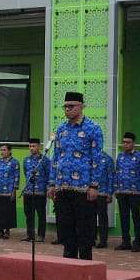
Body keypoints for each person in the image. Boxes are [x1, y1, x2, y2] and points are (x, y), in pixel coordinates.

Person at [50, 91, 104, 260]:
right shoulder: (61, 129)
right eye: (65, 106)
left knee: (85, 233)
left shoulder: (93, 128)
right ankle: (69, 267)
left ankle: (86, 271)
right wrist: (52, 183)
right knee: (66, 232)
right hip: (63, 188)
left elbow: (97, 158)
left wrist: (94, 185)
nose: (67, 109)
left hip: (84, 189)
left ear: (82, 107)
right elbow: (56, 157)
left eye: (71, 106)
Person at [113, 132, 140, 252]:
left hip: (135, 192)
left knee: (136, 217)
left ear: (134, 143)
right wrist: (116, 188)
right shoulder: (120, 156)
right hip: (122, 191)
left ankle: (136, 242)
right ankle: (125, 242)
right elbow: (116, 173)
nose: (125, 144)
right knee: (124, 217)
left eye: (128, 142)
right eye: (124, 142)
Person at [21, 138, 49, 243]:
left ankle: (41, 235)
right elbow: (26, 173)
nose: (32, 148)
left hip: (40, 191)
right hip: (28, 191)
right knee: (29, 214)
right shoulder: (26, 160)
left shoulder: (45, 160)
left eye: (34, 146)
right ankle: (30, 234)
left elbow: (48, 174)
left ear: (39, 147)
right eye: (30, 146)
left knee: (41, 214)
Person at [0, 143, 19, 240]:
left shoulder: (15, 162)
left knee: (8, 211)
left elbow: (16, 177)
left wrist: (14, 190)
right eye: (1, 150)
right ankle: (0, 231)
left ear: (10, 151)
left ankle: (7, 231)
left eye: (4, 150)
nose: (2, 152)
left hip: (9, 191)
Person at [94, 149, 116, 249]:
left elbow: (111, 177)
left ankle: (103, 240)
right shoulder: (89, 158)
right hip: (89, 192)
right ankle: (91, 238)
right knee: (90, 216)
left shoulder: (107, 159)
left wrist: (110, 193)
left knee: (102, 216)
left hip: (102, 192)